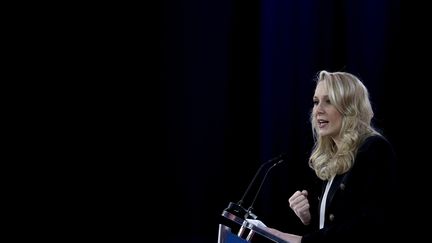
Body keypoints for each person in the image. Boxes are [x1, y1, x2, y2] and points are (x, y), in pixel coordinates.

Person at [264, 70, 398, 243]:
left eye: (329, 101)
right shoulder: (333, 158)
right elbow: (332, 227)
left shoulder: (374, 149)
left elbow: (372, 224)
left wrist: (302, 241)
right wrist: (309, 217)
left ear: (350, 107)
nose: (318, 110)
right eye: (315, 102)